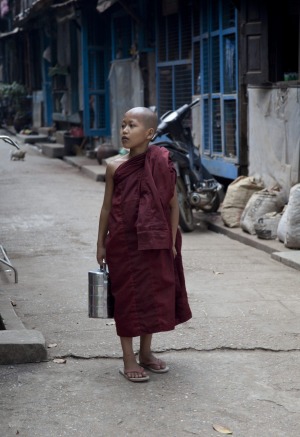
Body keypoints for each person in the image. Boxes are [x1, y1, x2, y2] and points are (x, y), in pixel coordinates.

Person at [96, 106, 192, 382]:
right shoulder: (115, 166)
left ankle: (146, 353)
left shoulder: (161, 162)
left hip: (155, 242)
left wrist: (171, 240)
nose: (125, 131)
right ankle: (128, 359)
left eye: (132, 125)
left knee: (150, 297)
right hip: (124, 245)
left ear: (149, 133)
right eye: (123, 125)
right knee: (128, 300)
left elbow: (173, 205)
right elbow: (105, 209)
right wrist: (100, 244)